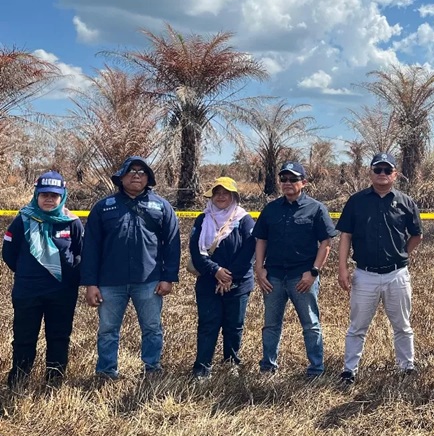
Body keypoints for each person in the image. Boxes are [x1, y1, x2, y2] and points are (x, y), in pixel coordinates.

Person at [81, 157, 180, 379]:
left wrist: (168, 277)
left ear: (148, 178)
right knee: (107, 330)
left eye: (142, 172)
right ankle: (106, 371)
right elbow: (90, 248)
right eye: (131, 171)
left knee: (152, 328)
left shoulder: (162, 207)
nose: (137, 175)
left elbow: (172, 244)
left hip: (149, 281)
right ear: (121, 176)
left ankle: (152, 368)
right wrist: (90, 283)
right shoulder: (103, 208)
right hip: (110, 281)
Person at [337, 152, 422, 384]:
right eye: (378, 170)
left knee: (402, 326)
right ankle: (349, 371)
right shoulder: (356, 201)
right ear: (370, 173)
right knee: (357, 326)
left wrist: (401, 253)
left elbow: (417, 235)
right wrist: (342, 268)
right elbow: (346, 235)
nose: (382, 174)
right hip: (365, 275)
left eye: (387, 170)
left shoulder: (406, 202)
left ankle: (407, 367)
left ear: (395, 174)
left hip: (397, 274)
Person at [253, 161, 336, 378]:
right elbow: (261, 239)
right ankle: (267, 368)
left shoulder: (316, 208)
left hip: (302, 277)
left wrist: (314, 272)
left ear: (304, 182)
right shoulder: (271, 209)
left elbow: (326, 243)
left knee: (311, 325)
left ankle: (316, 369)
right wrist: (259, 269)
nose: (288, 183)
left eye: (293, 179)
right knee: (271, 325)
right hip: (274, 277)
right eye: (284, 179)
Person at [2, 171, 84, 386]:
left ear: (62, 196)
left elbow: (81, 254)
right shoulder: (22, 220)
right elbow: (9, 253)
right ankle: (18, 381)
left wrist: (69, 276)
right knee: (24, 339)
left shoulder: (72, 222)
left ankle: (53, 382)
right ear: (36, 195)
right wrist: (27, 272)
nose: (49, 199)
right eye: (44, 194)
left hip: (62, 292)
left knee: (58, 338)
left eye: (54, 195)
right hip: (27, 291)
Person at [188, 177, 255, 379]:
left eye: (226, 193)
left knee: (234, 326)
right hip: (209, 282)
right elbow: (195, 251)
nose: (221, 196)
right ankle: (202, 368)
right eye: (217, 192)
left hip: (238, 284)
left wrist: (228, 277)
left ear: (234, 196)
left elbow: (249, 252)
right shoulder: (202, 219)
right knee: (208, 324)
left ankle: (231, 364)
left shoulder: (245, 219)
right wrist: (216, 271)